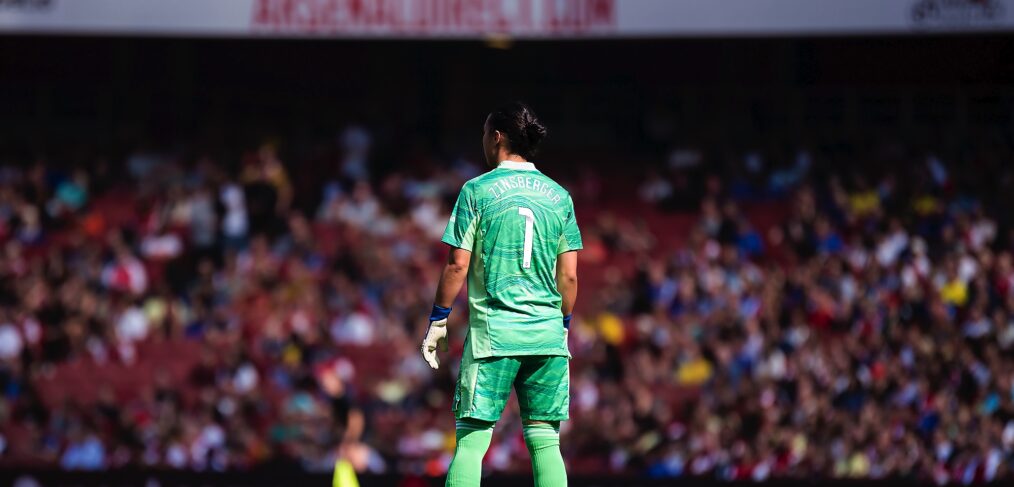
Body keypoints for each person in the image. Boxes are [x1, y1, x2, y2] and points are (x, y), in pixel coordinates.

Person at [421, 102, 582, 486]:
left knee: (473, 442)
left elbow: (457, 265)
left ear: (496, 137)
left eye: (483, 133)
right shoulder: (560, 196)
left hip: (495, 334)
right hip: (546, 335)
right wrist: (562, 325)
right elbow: (570, 277)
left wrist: (438, 318)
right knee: (545, 442)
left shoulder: (477, 190)